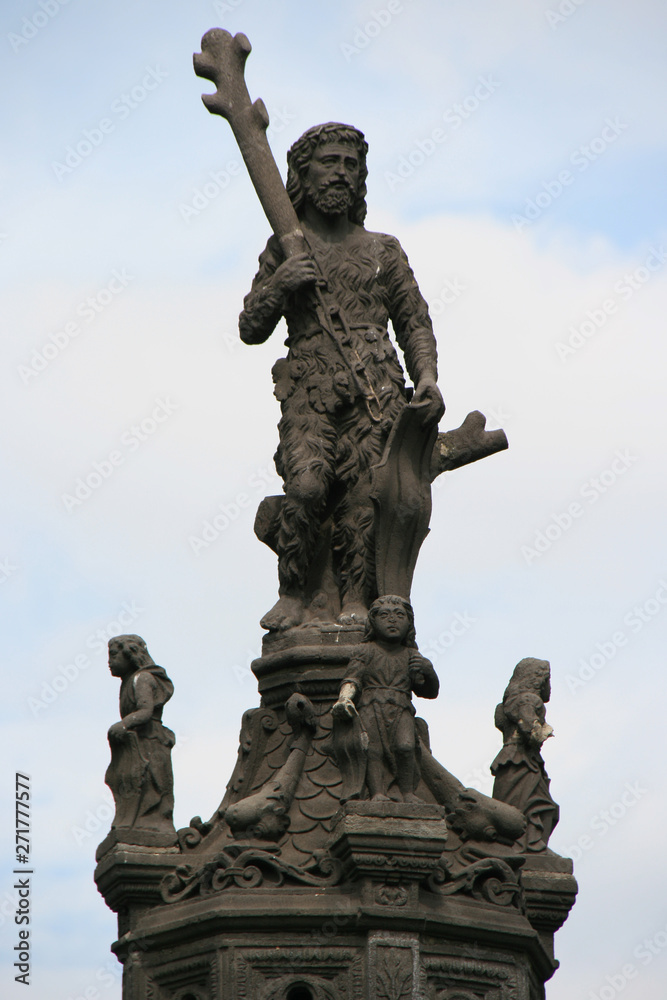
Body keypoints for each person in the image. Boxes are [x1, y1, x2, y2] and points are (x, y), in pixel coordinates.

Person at [239, 123, 445, 631]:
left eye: (351, 165)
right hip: (309, 383)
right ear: (303, 177)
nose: (341, 174)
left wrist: (427, 377)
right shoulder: (285, 247)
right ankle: (293, 592)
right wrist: (283, 283)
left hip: (375, 386)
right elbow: (250, 326)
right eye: (330, 162)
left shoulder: (383, 251)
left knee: (365, 495)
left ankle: (356, 599)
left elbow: (413, 321)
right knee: (307, 485)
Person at [332, 595, 439, 802]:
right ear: (373, 622)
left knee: (406, 746)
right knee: (373, 749)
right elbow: (352, 678)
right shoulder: (365, 651)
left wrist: (429, 671)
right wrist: (345, 699)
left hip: (401, 707)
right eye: (384, 615)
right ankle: (378, 793)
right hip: (371, 705)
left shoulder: (410, 654)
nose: (392, 620)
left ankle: (407, 792)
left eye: (400, 615)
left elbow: (429, 692)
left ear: (409, 623)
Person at [105, 634, 176, 837]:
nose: (109, 662)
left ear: (129, 655)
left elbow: (145, 712)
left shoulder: (142, 678)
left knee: (153, 788)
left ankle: (152, 828)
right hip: (136, 743)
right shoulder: (128, 682)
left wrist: (124, 724)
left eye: (113, 655)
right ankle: (132, 823)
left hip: (151, 742)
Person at [491, 657, 559, 852]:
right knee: (540, 806)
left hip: (509, 760)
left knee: (510, 806)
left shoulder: (505, 704)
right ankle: (530, 845)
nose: (549, 685)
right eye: (547, 678)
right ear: (537, 679)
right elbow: (532, 731)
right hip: (523, 761)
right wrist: (545, 730)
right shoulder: (529, 700)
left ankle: (515, 845)